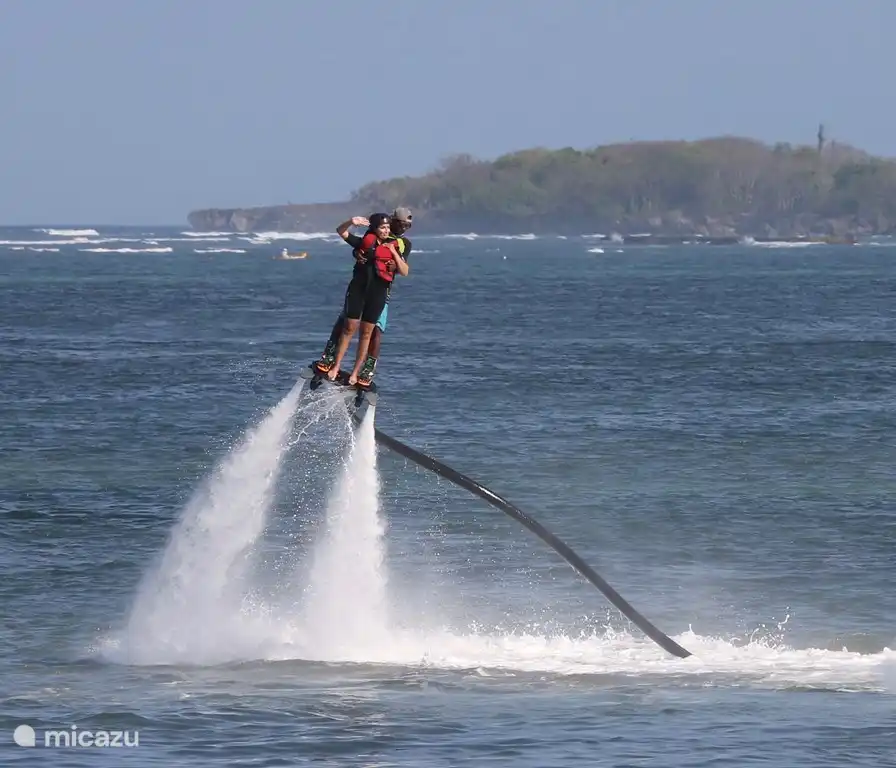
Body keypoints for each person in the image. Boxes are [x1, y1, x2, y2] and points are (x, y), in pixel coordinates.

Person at [313, 207, 413, 385]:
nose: (404, 228)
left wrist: (394, 262)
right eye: (401, 224)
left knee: (374, 332)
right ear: (392, 221)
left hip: (382, 291)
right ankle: (330, 357)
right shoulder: (375, 232)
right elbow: (360, 245)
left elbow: (402, 268)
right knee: (345, 323)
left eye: (408, 225)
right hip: (360, 287)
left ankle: (366, 369)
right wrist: (356, 252)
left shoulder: (404, 243)